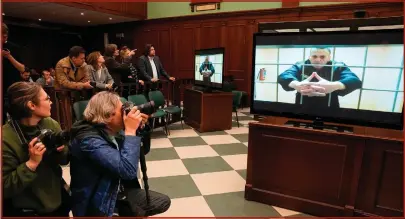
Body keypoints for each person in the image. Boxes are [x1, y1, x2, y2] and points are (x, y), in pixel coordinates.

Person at [69, 91, 170, 217]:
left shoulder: (113, 130)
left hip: (118, 189)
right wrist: (130, 130)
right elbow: (127, 171)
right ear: (109, 115)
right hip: (98, 202)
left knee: (162, 202)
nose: (125, 113)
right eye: (121, 110)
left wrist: (139, 129)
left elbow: (143, 151)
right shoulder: (89, 140)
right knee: (138, 212)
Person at [2, 82, 70, 216]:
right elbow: (4, 187)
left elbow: (64, 160)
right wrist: (31, 164)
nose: (51, 101)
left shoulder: (50, 123)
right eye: (47, 98)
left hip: (57, 203)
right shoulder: (5, 138)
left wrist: (60, 151)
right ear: (32, 105)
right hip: (28, 210)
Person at [278, 47, 362, 108]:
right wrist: (296, 84)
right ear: (309, 57)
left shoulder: (338, 66)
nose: (318, 60)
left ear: (329, 58)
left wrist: (335, 85)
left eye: (322, 57)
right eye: (314, 56)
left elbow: (355, 80)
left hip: (329, 105)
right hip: (303, 104)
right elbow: (283, 76)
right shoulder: (300, 65)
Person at [2, 23, 26, 124]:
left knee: (16, 115)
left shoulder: (13, 47)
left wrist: (9, 57)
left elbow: (22, 68)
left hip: (13, 87)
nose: (3, 38)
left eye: (4, 36)